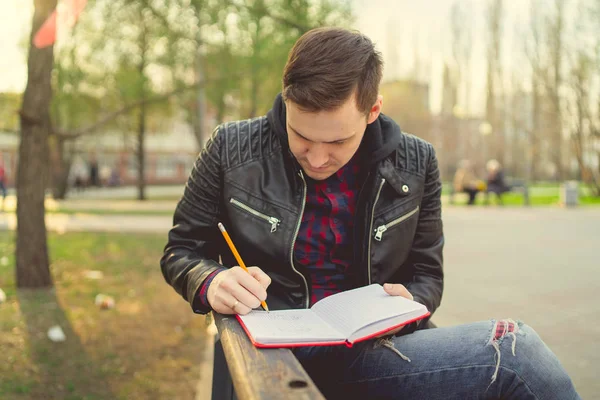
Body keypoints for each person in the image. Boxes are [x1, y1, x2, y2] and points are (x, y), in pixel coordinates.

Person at [161, 28, 580, 399]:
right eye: (301, 136)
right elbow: (181, 249)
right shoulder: (230, 148)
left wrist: (411, 300)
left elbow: (428, 275)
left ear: (373, 111)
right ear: (286, 102)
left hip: (371, 350)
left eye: (338, 141)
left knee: (515, 352)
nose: (318, 158)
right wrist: (211, 280)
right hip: (266, 345)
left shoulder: (417, 162)